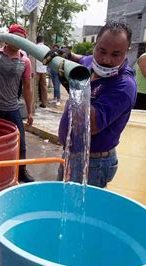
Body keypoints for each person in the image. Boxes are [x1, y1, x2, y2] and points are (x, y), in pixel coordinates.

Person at [57, 21, 137, 188]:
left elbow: (89, 125)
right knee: (62, 205)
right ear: (95, 46)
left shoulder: (123, 86)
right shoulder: (91, 64)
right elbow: (81, 58)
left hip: (94, 163)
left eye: (116, 55)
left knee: (81, 212)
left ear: (126, 52)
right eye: (102, 51)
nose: (106, 60)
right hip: (71, 154)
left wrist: (74, 89)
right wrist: (67, 54)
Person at [0, 23, 35, 183]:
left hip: (12, 107)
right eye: (15, 38)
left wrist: (30, 111)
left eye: (22, 40)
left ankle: (21, 171)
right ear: (7, 38)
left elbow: (27, 88)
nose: (18, 42)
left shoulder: (25, 61)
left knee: (21, 142)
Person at [36, 35, 50, 108]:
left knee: (35, 86)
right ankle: (44, 103)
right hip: (44, 69)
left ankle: (34, 103)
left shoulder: (34, 47)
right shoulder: (47, 48)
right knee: (44, 87)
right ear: (43, 40)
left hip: (36, 69)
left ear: (37, 40)